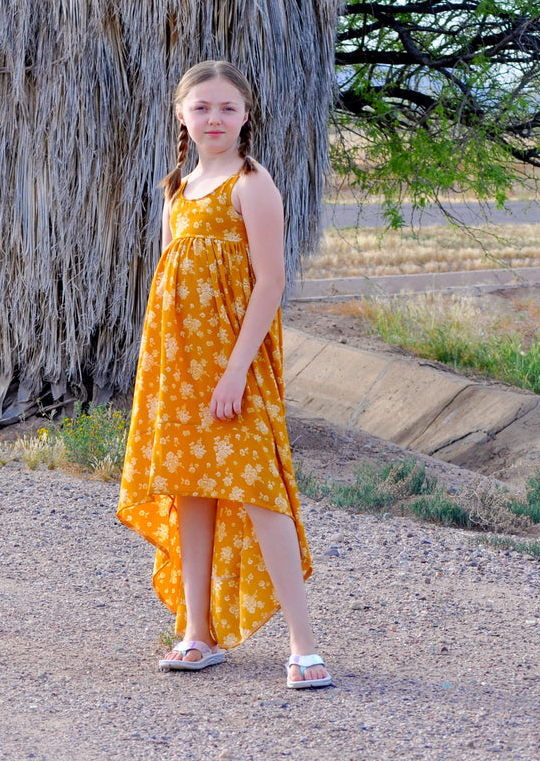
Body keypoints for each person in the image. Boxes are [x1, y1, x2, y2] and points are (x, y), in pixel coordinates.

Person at [116, 60, 331, 690]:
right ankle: (197, 633)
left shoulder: (252, 184)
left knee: (259, 494)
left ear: (246, 116)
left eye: (227, 108)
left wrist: (235, 371)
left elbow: (271, 283)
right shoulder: (178, 190)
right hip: (179, 366)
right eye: (202, 107)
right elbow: (168, 283)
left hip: (235, 366)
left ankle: (304, 647)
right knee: (191, 491)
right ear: (182, 114)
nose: (215, 119)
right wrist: (161, 368)